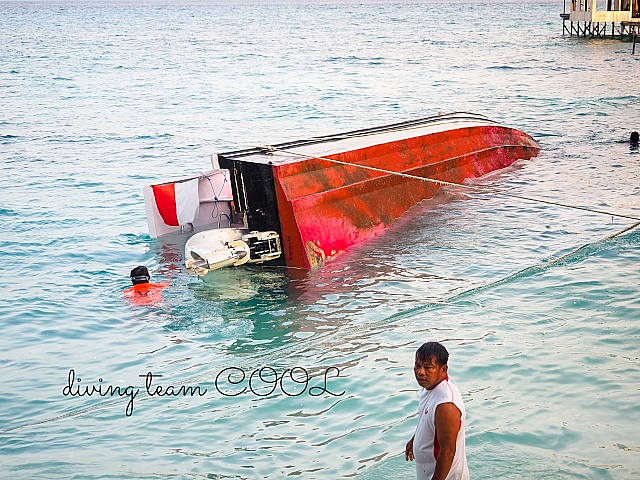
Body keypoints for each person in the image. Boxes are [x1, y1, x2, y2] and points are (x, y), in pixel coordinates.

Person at [405, 342, 469, 480]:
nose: (420, 372)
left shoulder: (446, 405)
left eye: (428, 367)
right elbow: (429, 421)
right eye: (417, 365)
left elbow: (448, 452)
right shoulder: (430, 385)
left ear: (443, 369)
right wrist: (415, 439)